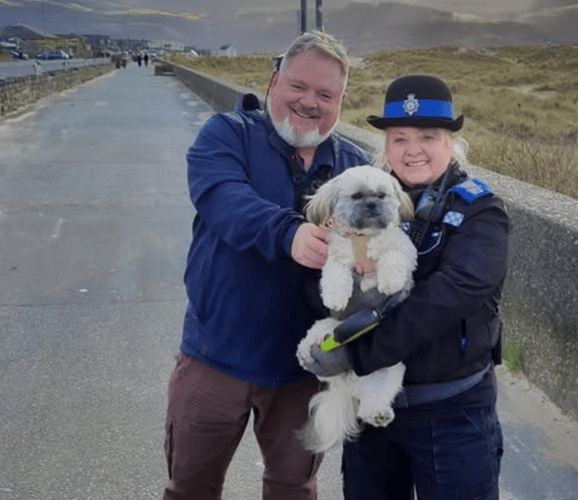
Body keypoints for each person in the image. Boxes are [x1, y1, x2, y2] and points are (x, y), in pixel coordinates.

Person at [163, 31, 370, 500]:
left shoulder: (356, 170)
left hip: (303, 374)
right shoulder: (227, 135)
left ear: (341, 101)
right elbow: (223, 199)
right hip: (215, 358)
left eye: (326, 94)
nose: (310, 103)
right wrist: (289, 233)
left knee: (293, 488)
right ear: (274, 81)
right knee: (190, 487)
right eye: (299, 86)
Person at [300, 74, 510, 500]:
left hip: (453, 414)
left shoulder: (481, 212)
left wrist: (354, 352)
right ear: (386, 146)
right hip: (372, 412)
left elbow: (450, 296)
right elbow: (317, 276)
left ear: (451, 142)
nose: (412, 149)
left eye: (428, 136)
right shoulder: (356, 195)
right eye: (399, 139)